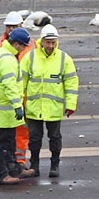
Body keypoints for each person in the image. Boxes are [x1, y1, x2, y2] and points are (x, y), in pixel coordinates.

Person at [20, 24, 79, 178]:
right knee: (34, 139)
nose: (51, 46)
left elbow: (71, 83)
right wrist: (19, 103)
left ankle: (54, 165)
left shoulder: (64, 59)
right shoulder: (30, 57)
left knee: (55, 138)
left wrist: (71, 104)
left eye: (53, 42)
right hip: (34, 108)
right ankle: (34, 166)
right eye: (48, 42)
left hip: (53, 108)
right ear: (42, 41)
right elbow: (21, 82)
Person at [0, 11, 36, 177]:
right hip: (5, 108)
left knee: (10, 140)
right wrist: (17, 105)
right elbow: (10, 85)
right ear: (18, 44)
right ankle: (2, 174)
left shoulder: (4, 52)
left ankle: (14, 168)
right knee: (2, 142)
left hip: (8, 107)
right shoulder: (6, 58)